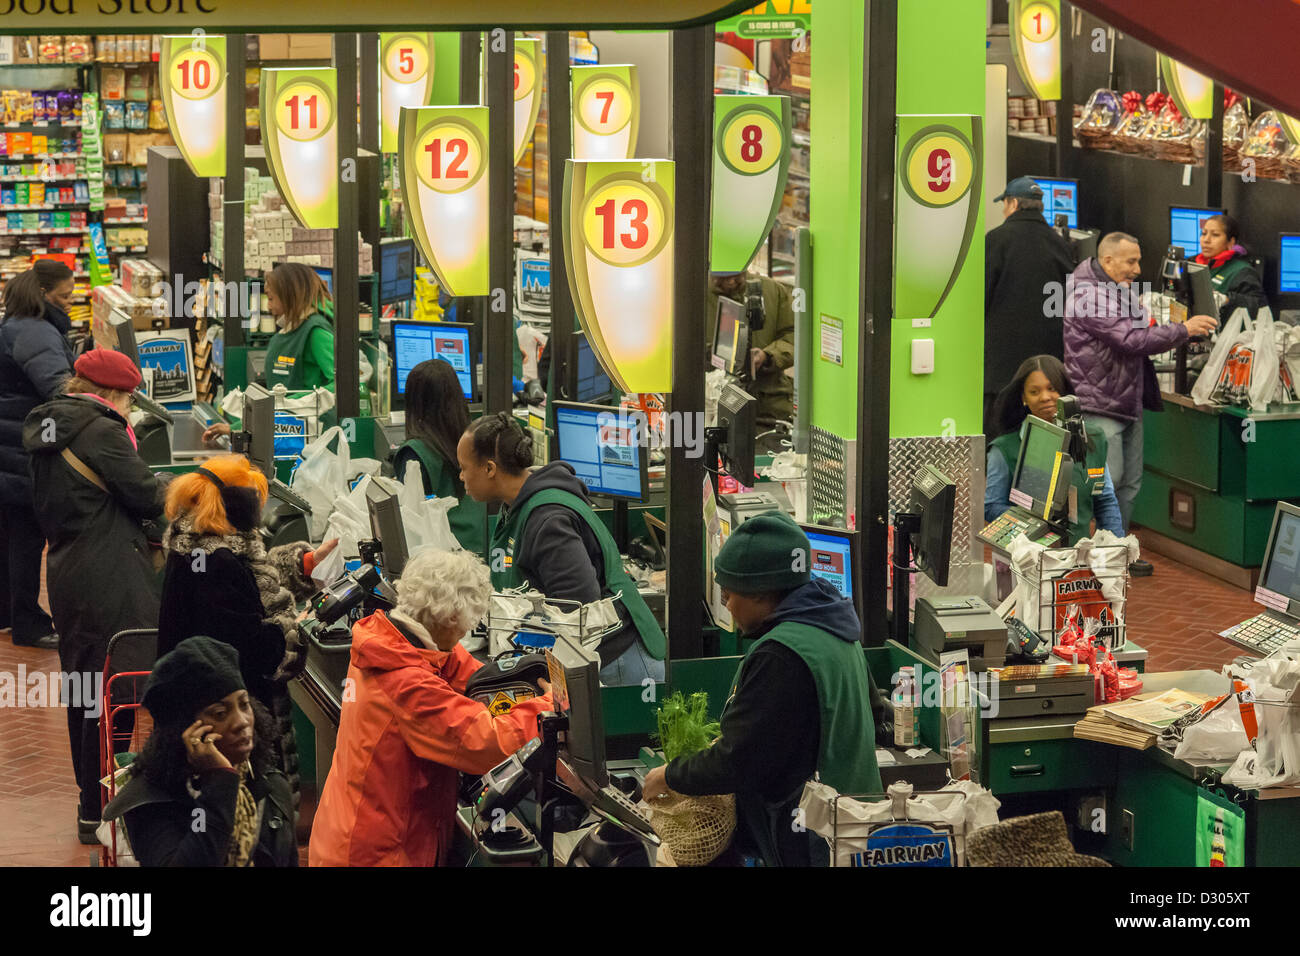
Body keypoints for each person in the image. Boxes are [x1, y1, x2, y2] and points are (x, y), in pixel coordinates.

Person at [641, 513, 881, 866]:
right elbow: (875, 713)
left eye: (728, 593)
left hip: (814, 836)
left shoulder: (780, 655)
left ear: (761, 593)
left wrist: (670, 776)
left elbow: (739, 762)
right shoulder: (833, 627)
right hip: (856, 826)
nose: (725, 605)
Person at [309, 548, 552, 866]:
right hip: (373, 853)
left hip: (355, 830)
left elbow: (456, 670)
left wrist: (511, 682)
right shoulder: (404, 681)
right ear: (450, 618)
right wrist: (550, 706)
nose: (467, 631)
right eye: (467, 622)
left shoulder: (391, 640)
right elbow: (484, 741)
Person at [22, 349, 167, 842]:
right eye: (128, 399)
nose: (130, 408)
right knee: (117, 689)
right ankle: (105, 807)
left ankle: (91, 801)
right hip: (110, 574)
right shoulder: (102, 430)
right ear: (111, 394)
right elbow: (147, 495)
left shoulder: (49, 425)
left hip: (68, 567)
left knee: (84, 690)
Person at [156, 454, 338, 800]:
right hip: (232, 723)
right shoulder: (216, 563)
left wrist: (302, 565)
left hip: (198, 705)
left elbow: (249, 582)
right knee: (251, 816)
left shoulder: (196, 544)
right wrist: (290, 629)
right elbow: (253, 650)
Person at [457, 412, 666, 686]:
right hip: (597, 657)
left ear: (489, 469)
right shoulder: (520, 503)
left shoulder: (548, 522)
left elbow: (578, 608)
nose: (461, 476)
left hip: (616, 663)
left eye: (464, 467)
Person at [1064, 232, 1217, 558]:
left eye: (1138, 260)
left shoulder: (1114, 288)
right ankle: (1085, 555)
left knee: (1129, 484)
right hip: (1100, 403)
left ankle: (1114, 555)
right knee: (1105, 485)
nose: (1137, 268)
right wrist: (1183, 330)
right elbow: (1131, 339)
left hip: (1125, 401)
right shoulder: (1089, 294)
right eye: (1131, 261)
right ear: (1108, 260)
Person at [102, 636, 298, 867]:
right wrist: (219, 780)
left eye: (244, 704)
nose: (242, 722)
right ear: (186, 731)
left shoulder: (271, 786)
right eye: (220, 714)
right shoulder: (152, 802)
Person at [0, 259, 75, 648]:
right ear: (43, 295)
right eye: (65, 296)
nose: (70, 303)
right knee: (28, 539)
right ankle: (29, 623)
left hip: (9, 449)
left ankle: (9, 614)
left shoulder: (15, 325)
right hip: (23, 453)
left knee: (11, 536)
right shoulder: (34, 333)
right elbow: (58, 388)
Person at [985, 355, 1123, 542]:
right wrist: (1035, 522)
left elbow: (1104, 501)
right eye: (1034, 392)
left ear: (1065, 392)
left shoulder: (1093, 439)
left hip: (1078, 561)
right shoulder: (1004, 449)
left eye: (1052, 389)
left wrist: (1115, 549)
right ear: (1023, 398)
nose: (1045, 398)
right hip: (1025, 561)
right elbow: (991, 506)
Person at [201, 262, 334, 445]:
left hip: (311, 438)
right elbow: (275, 406)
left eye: (271, 299)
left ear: (290, 297)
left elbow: (345, 383)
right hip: (287, 433)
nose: (268, 306)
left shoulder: (316, 333)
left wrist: (298, 401)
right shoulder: (288, 330)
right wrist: (238, 427)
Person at [984, 177, 1076, 432]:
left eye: (1004, 203)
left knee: (1000, 440)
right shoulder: (1060, 244)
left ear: (1013, 203)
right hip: (1046, 367)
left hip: (1001, 369)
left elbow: (981, 297)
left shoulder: (996, 239)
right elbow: (1068, 301)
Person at [392, 358, 487, 556]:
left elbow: (408, 520)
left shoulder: (414, 453)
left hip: (440, 559)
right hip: (479, 548)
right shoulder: (472, 440)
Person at [705, 271, 796, 426]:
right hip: (712, 405)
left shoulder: (773, 291)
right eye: (723, 276)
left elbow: (793, 335)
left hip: (770, 404)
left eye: (737, 275)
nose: (731, 281)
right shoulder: (691, 293)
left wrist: (768, 356)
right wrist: (714, 353)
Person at [1195, 213, 1267, 321]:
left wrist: (1227, 299)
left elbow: (1260, 307)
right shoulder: (1193, 263)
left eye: (1215, 235)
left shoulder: (1243, 271)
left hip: (1224, 334)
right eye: (1203, 233)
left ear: (1231, 242)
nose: (1206, 240)